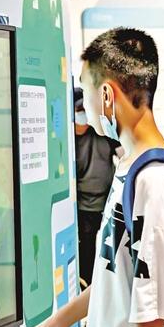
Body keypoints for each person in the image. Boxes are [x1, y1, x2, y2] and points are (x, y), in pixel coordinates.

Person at [18, 28, 164, 327]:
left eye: (86, 91)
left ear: (108, 96)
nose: (84, 107)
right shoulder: (131, 166)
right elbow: (117, 276)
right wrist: (61, 321)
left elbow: (155, 308)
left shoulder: (154, 180)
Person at [73, 87, 122, 289]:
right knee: (85, 248)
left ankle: (100, 286)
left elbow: (124, 153)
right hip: (81, 204)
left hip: (105, 200)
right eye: (79, 111)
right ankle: (86, 285)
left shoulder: (103, 133)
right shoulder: (68, 140)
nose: (83, 115)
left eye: (84, 110)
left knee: (109, 247)